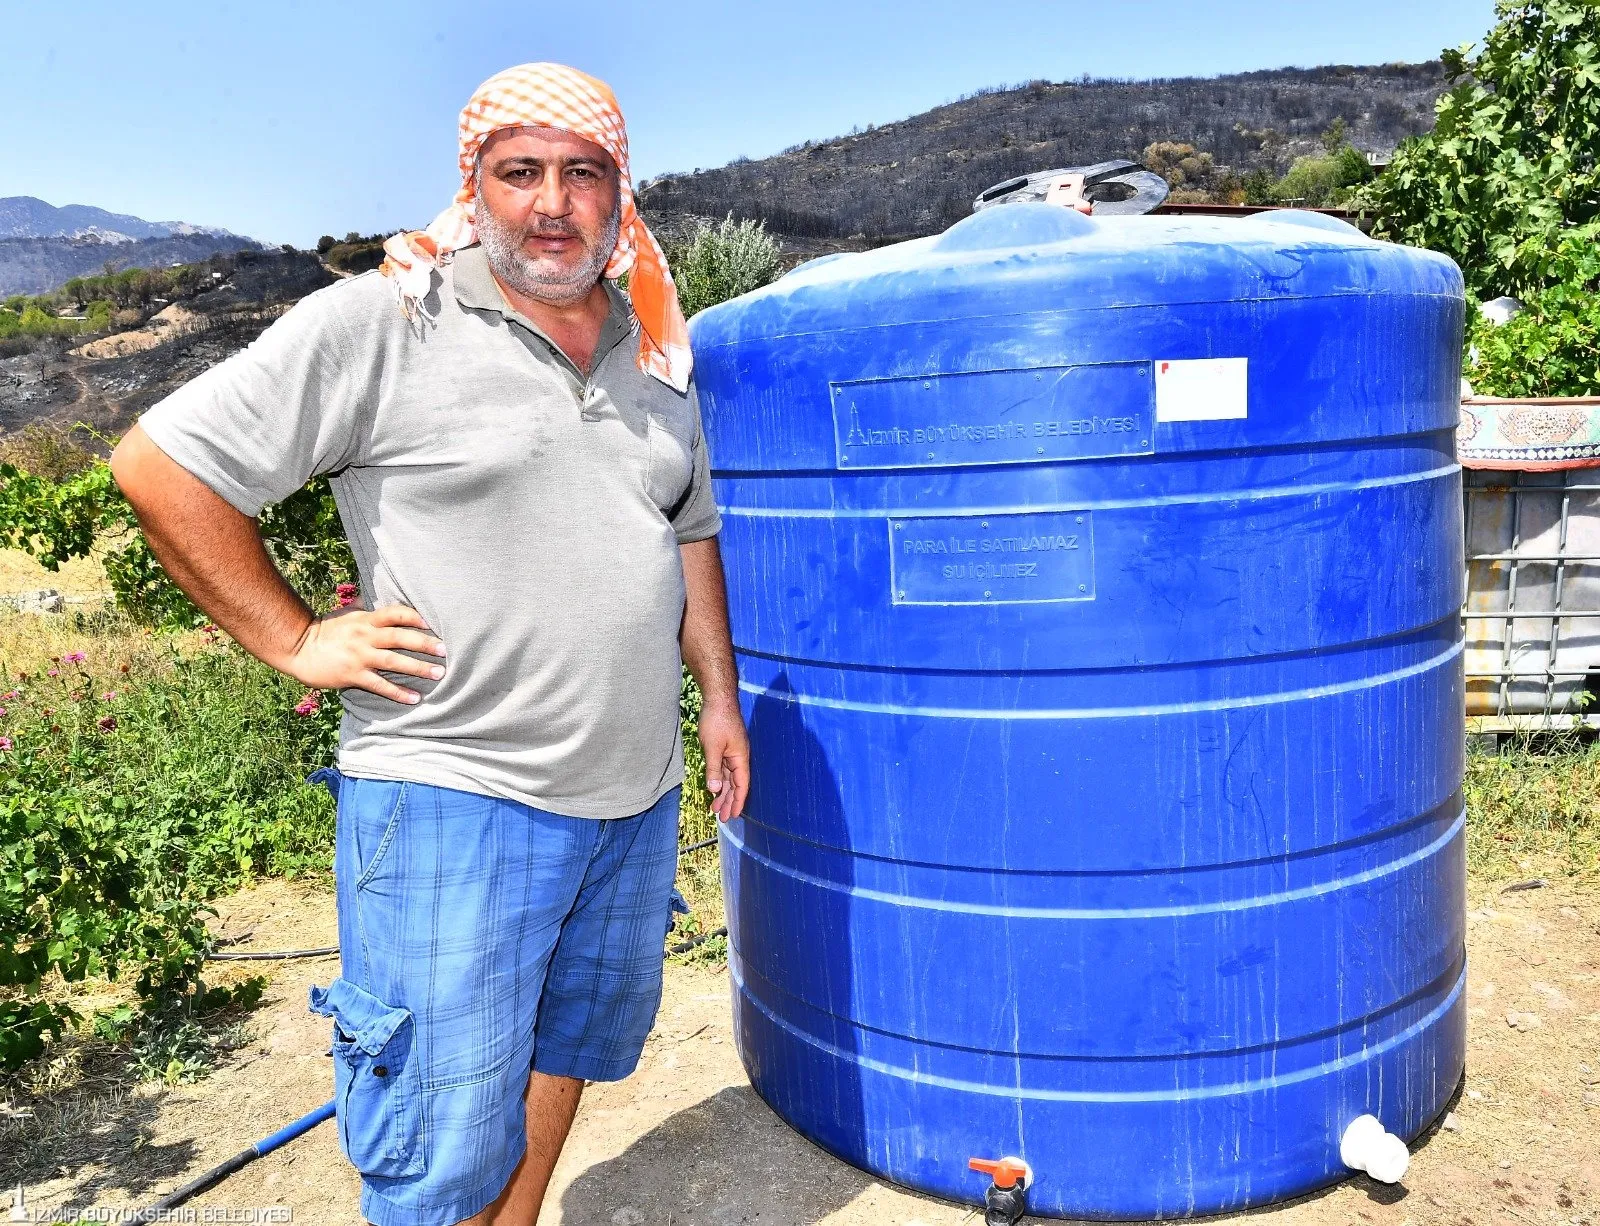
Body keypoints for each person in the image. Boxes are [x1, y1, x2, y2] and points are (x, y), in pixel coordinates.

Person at [110, 62, 750, 1226]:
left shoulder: (656, 354)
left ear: (620, 195)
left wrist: (717, 696)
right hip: (457, 789)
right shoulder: (389, 319)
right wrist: (296, 636)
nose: (551, 201)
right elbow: (159, 467)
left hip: (632, 792)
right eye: (520, 173)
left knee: (568, 1051)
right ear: (475, 185)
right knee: (434, 1137)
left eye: (581, 173)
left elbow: (687, 530)